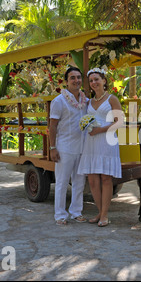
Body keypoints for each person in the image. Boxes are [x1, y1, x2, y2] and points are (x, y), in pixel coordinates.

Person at [78, 68, 123, 227]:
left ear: (104, 80)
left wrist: (100, 130)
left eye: (96, 79)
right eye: (91, 81)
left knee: (105, 177)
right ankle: (100, 212)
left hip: (107, 140)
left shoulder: (112, 99)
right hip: (91, 142)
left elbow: (119, 121)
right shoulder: (88, 102)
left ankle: (104, 215)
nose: (94, 83)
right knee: (92, 179)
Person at [49, 67, 88, 225]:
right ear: (66, 81)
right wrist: (53, 148)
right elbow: (52, 126)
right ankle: (60, 215)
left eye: (79, 77)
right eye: (72, 78)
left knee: (79, 181)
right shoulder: (59, 101)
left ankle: (76, 212)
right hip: (64, 147)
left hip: (82, 147)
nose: (76, 80)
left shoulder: (85, 101)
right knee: (62, 182)